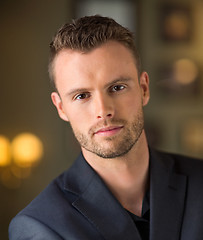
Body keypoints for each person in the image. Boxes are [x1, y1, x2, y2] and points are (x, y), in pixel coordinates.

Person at [9, 15, 203, 240]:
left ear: (143, 89)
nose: (103, 110)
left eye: (117, 87)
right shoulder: (39, 226)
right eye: (82, 95)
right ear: (61, 107)